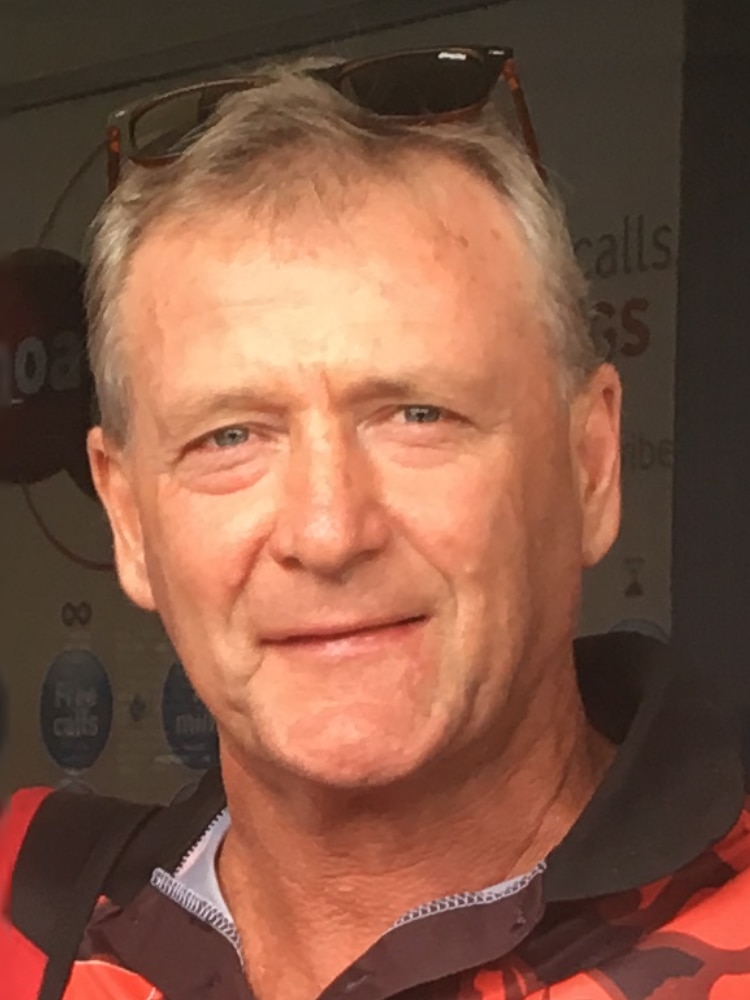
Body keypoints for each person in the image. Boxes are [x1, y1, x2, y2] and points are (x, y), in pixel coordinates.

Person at [3, 46, 750, 1000]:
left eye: (417, 414)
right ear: (128, 518)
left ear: (590, 465)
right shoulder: (28, 929)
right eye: (231, 436)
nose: (327, 530)